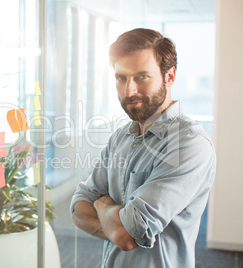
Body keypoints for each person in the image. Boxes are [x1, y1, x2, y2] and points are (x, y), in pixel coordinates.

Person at [70, 28, 216, 267]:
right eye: (121, 78)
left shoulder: (189, 144)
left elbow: (127, 236)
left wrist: (103, 203)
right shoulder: (120, 138)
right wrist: (116, 225)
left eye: (142, 76)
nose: (129, 90)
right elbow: (78, 208)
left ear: (169, 76)